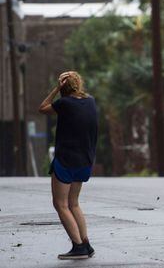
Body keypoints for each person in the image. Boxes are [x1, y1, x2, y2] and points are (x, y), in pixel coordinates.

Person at [39, 71, 97, 260]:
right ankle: (86, 244)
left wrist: (56, 88)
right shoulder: (90, 101)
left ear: (63, 87)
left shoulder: (64, 104)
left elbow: (43, 108)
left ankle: (78, 246)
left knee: (60, 204)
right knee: (73, 203)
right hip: (85, 160)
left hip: (66, 160)